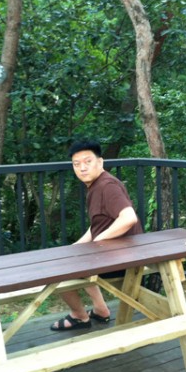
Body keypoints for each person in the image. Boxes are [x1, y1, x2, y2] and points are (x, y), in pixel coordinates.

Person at [51, 139, 142, 331]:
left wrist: (98, 241)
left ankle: (79, 316)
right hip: (120, 252)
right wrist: (78, 245)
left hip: (124, 259)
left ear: (100, 162)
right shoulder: (96, 185)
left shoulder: (107, 186)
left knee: (58, 271)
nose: (82, 168)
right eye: (77, 164)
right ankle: (101, 310)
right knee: (71, 256)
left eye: (88, 161)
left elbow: (128, 218)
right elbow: (98, 225)